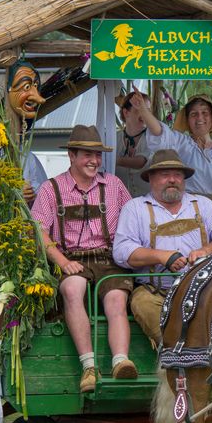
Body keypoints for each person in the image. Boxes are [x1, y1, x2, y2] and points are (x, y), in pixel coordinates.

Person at [30, 125, 137, 393]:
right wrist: (61, 261)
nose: (94, 161)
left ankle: (121, 361)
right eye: (87, 154)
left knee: (116, 299)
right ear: (72, 156)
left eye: (98, 155)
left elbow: (133, 220)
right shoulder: (51, 188)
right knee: (72, 288)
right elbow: (38, 230)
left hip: (108, 258)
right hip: (71, 259)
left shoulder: (113, 185)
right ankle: (88, 366)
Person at [113, 149, 212, 346]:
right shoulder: (135, 208)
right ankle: (175, 351)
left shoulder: (202, 204)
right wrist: (162, 256)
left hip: (204, 288)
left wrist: (205, 251)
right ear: (151, 178)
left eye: (177, 175)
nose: (172, 179)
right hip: (155, 291)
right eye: (165, 175)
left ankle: (210, 352)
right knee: (141, 304)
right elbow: (121, 251)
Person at [113, 90, 152, 198]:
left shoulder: (153, 138)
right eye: (140, 108)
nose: (145, 113)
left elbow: (141, 162)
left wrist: (112, 159)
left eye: (147, 110)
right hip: (120, 204)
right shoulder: (114, 139)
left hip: (148, 205)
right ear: (126, 113)